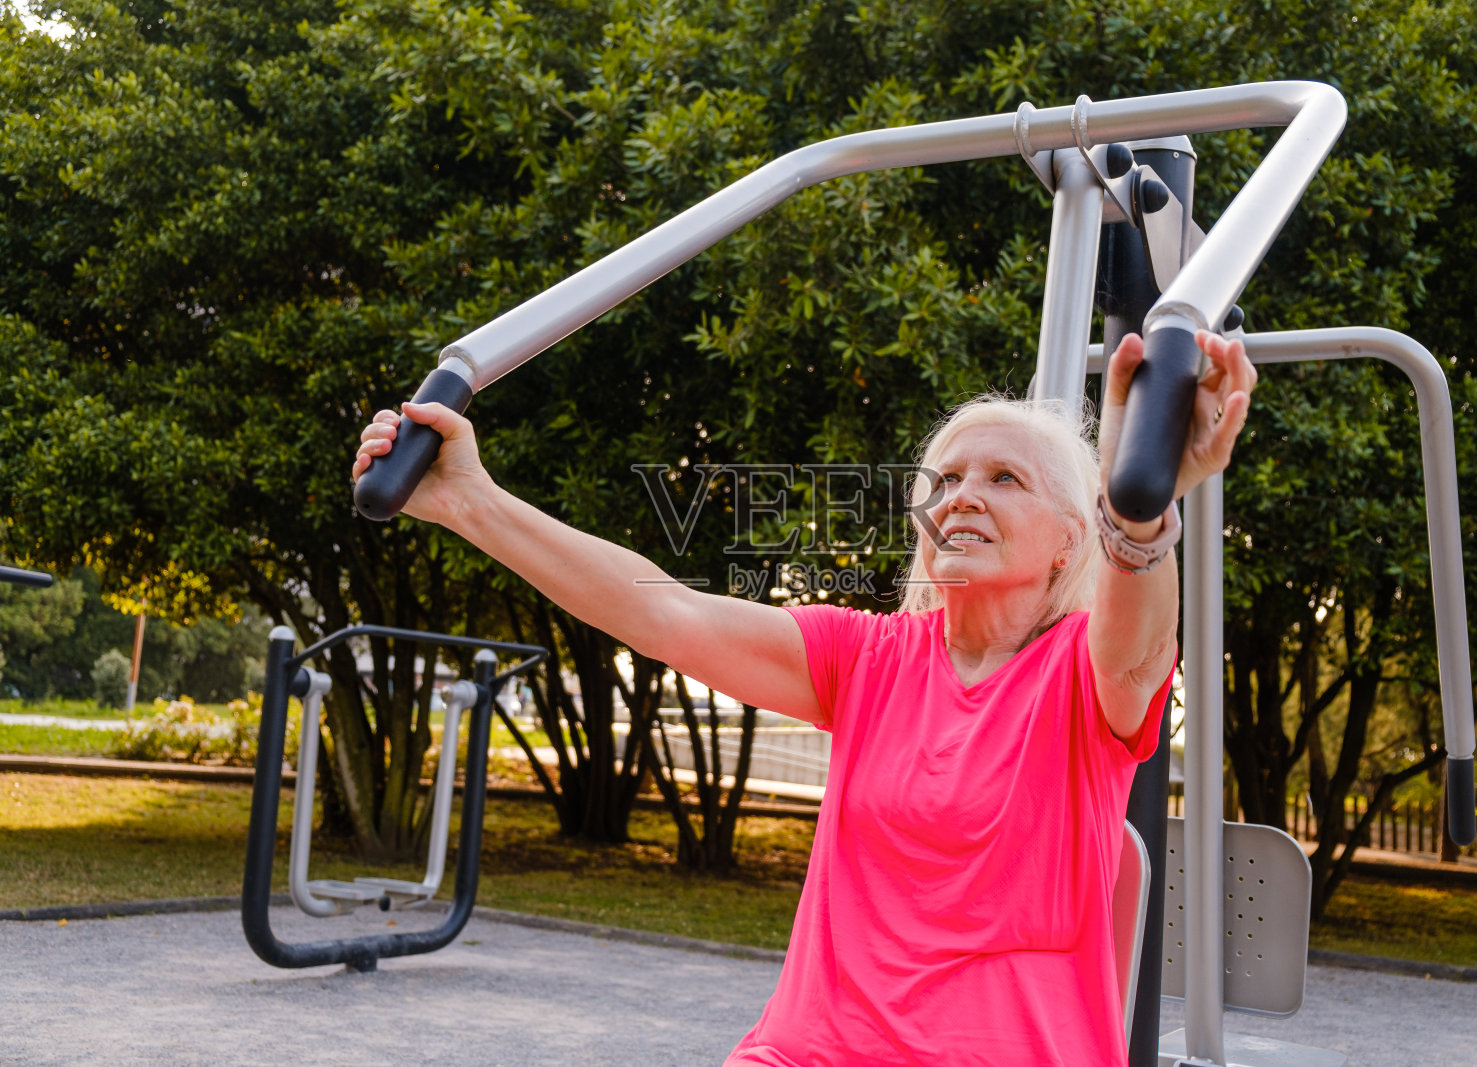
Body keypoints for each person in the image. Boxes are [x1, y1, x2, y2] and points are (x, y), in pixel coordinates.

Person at [352, 330, 1256, 1066]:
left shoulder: (1079, 676)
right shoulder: (867, 658)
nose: (960, 498)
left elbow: (1136, 638)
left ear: (1068, 539)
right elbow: (662, 610)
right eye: (944, 480)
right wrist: (472, 500)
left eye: (1003, 478)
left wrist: (1137, 510)